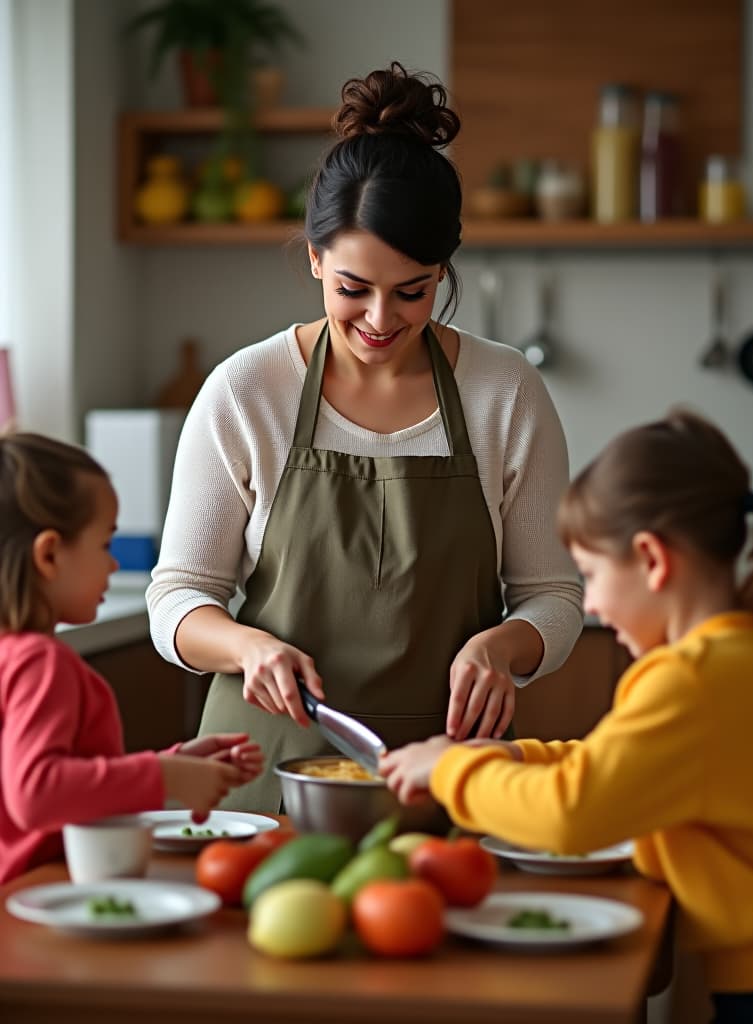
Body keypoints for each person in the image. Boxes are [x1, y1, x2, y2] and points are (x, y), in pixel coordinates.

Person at [146, 61, 583, 813]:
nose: (380, 320)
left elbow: (553, 596)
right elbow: (177, 597)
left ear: (442, 272)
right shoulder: (247, 392)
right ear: (314, 257)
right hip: (264, 774)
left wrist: (504, 648)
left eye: (411, 292)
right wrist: (247, 646)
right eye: (353, 289)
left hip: (447, 776)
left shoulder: (505, 392)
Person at [380, 409, 753, 1023]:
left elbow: (573, 811)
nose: (593, 603)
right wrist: (514, 755)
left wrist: (452, 769)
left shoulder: (691, 679)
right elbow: (615, 766)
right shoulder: (737, 659)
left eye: (590, 575)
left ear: (652, 559)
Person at [0, 432, 263, 884]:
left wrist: (178, 762)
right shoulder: (39, 663)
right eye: (104, 545)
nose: (114, 565)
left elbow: (69, 783)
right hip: (35, 894)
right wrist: (166, 776)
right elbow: (36, 792)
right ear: (48, 555)